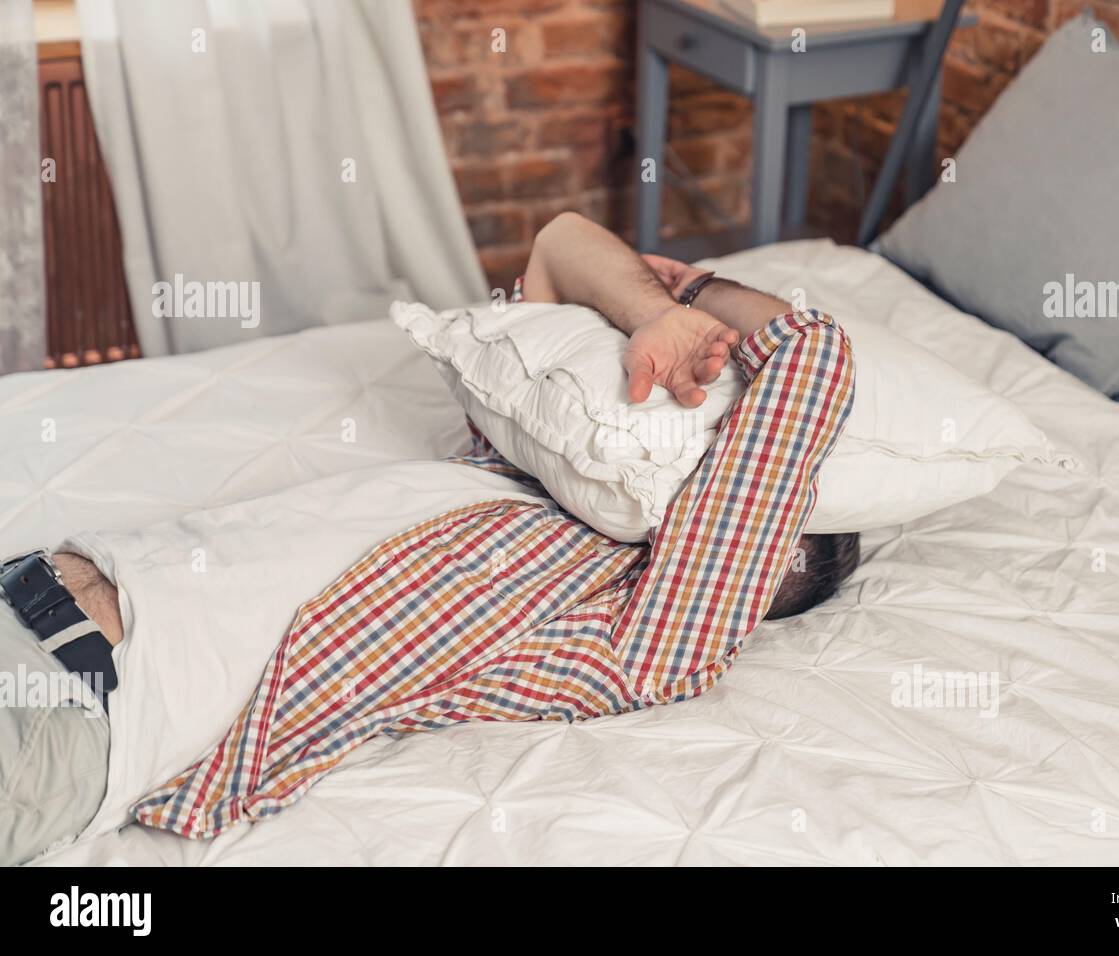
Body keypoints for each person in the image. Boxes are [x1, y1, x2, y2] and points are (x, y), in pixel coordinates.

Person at [0, 212, 856, 863]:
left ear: (769, 546)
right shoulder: (517, 474)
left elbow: (816, 354)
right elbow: (560, 244)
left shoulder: (652, 639)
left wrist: (699, 297)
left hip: (78, 711)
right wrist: (656, 312)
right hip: (28, 587)